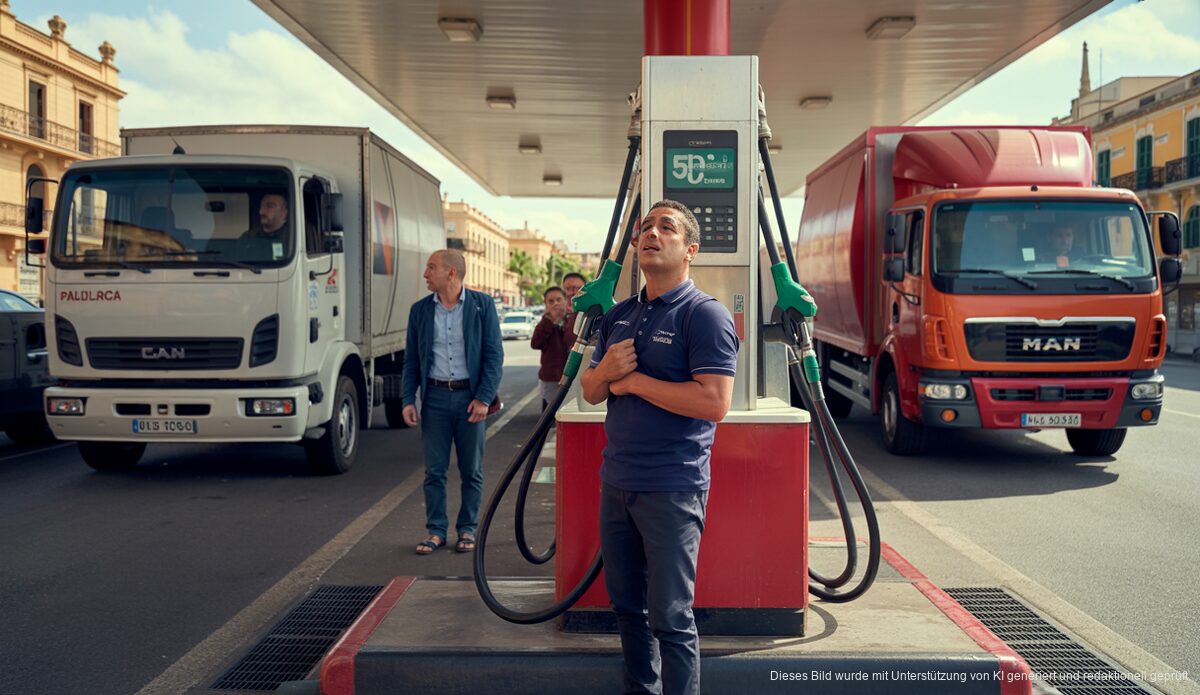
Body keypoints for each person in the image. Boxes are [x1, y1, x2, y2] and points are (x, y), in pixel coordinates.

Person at [580, 199, 739, 695]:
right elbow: (590, 389)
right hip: (617, 483)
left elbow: (714, 402)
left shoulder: (705, 315)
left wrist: (634, 383)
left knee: (670, 617)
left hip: (672, 487)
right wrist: (606, 374)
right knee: (627, 608)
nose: (650, 233)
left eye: (665, 228)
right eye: (645, 228)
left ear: (690, 249)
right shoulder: (620, 315)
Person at [401, 249, 504, 555]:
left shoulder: (481, 306)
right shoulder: (420, 310)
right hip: (434, 399)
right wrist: (409, 398)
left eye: (431, 268)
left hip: (470, 399)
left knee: (471, 469)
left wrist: (484, 397)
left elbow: (493, 356)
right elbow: (411, 360)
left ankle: (467, 529)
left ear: (451, 273)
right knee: (434, 471)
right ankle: (435, 531)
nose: (425, 274)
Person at [531, 286, 576, 410]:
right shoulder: (545, 323)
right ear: (546, 305)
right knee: (550, 414)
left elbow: (572, 341)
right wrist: (549, 322)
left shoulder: (572, 319)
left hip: (571, 376)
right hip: (551, 378)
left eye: (558, 299)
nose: (555, 304)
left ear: (565, 301)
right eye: (551, 301)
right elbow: (535, 343)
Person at [237, 193, 290, 261]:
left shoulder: (293, 239)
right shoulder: (247, 238)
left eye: (269, 206)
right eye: (262, 206)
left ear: (284, 213)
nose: (261, 212)